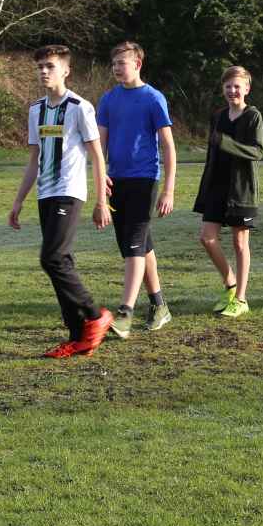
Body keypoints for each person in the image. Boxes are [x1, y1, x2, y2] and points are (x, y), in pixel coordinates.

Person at [8, 45, 115, 357]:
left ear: (65, 70)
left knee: (51, 259)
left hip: (69, 192)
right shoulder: (36, 110)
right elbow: (34, 159)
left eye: (50, 66)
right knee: (61, 262)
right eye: (40, 66)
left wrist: (100, 201)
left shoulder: (80, 107)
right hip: (45, 193)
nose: (44, 71)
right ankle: (78, 336)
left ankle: (96, 315)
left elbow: (97, 155)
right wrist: (18, 201)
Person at [96, 41, 176, 338]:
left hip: (145, 181)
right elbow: (99, 145)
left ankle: (125, 313)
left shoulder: (153, 98)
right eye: (114, 63)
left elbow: (168, 147)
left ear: (138, 64)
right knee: (140, 247)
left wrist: (168, 190)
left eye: (123, 63)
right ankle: (159, 306)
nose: (117, 68)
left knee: (133, 246)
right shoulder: (107, 100)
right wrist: (99, 181)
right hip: (116, 182)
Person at [194, 66, 263, 318]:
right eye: (228, 86)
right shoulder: (218, 116)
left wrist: (226, 142)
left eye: (237, 86)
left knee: (239, 242)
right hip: (216, 188)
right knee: (207, 238)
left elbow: (257, 151)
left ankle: (241, 299)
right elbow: (212, 155)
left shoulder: (253, 116)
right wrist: (204, 188)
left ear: (247, 88)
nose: (232, 90)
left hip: (241, 190)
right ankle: (230, 285)